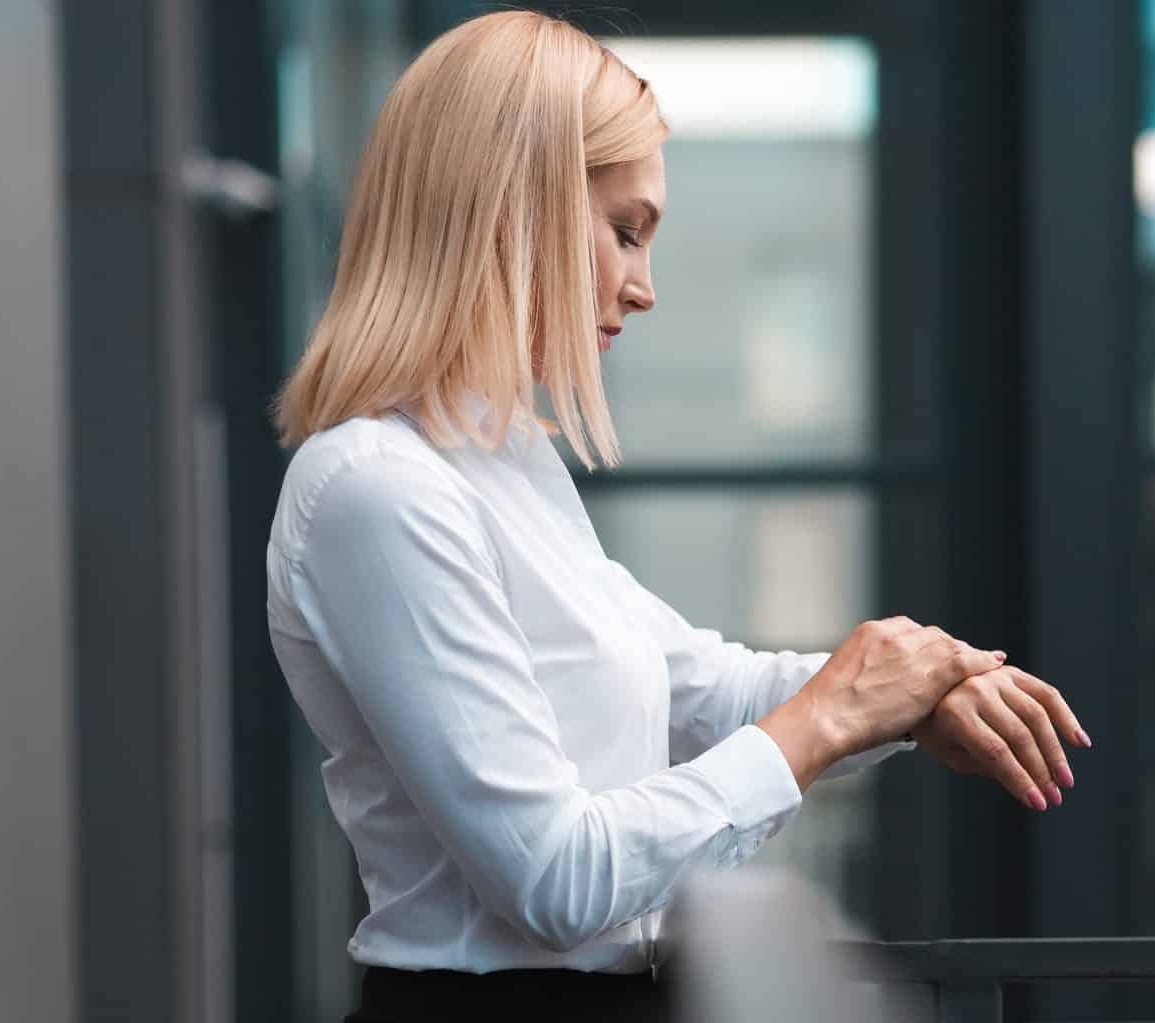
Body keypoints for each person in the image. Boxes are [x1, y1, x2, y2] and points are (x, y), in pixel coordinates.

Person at [264, 11, 1089, 1022]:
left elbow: (697, 684)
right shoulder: (373, 490)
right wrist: (827, 718)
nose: (642, 287)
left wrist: (914, 692)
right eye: (622, 231)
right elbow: (557, 877)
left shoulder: (504, 466)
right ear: (507, 207)